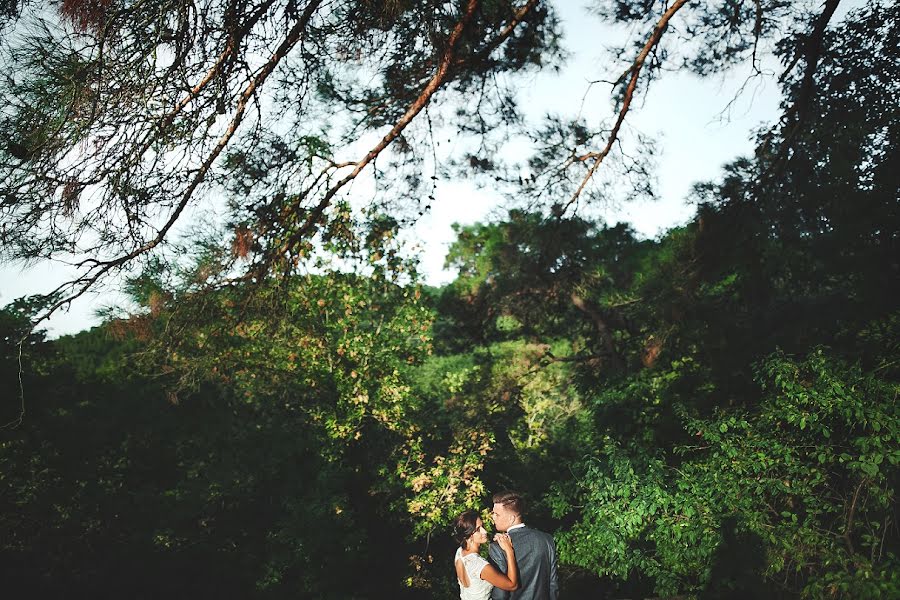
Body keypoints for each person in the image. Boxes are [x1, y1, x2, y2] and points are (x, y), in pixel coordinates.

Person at [488, 491, 558, 600]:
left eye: (497, 514)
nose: (493, 517)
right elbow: (553, 584)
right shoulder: (546, 539)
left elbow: (500, 595)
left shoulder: (497, 548)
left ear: (511, 518)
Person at [453, 510, 519, 600]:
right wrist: (509, 550)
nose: (484, 531)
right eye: (478, 530)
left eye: (482, 526)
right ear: (468, 535)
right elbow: (512, 585)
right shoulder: (479, 565)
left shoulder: (460, 552)